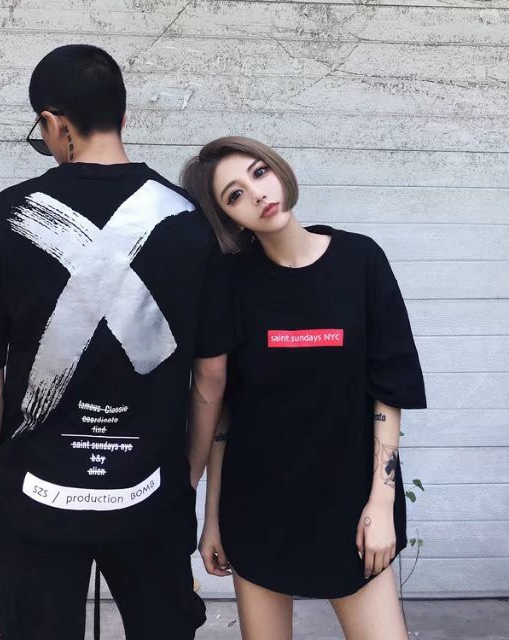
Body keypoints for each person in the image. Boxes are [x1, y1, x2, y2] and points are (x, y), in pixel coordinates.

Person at [0, 45, 233, 640]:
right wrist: (187, 479)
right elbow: (213, 373)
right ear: (123, 116)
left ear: (54, 122)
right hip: (150, 494)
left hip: (34, 499)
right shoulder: (190, 223)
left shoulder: (0, 218)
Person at [181, 136, 427, 640]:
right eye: (234, 195)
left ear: (278, 170)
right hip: (258, 509)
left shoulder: (361, 260)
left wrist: (381, 504)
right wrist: (213, 517)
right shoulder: (232, 283)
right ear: (227, 217)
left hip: (349, 505)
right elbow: (226, 413)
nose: (256, 193)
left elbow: (389, 387)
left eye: (259, 172)